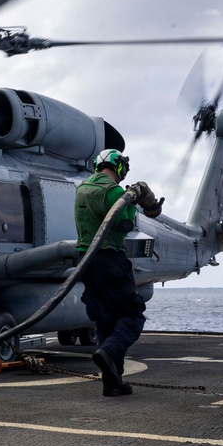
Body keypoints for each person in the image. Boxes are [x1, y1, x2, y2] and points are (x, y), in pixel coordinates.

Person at [74, 148, 162, 397]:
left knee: (105, 319)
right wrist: (132, 202)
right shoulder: (113, 191)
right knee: (132, 315)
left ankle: (112, 382)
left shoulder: (81, 188)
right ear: (118, 167)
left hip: (86, 262)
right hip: (110, 258)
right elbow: (124, 224)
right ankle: (109, 352)